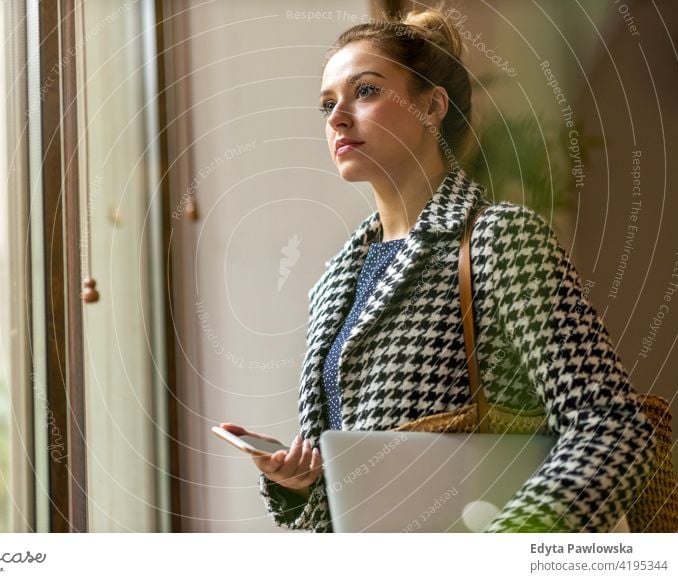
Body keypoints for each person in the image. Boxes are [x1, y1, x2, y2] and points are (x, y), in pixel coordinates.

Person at [222, 4, 655, 533]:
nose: (337, 117)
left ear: (431, 106)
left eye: (365, 91)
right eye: (326, 104)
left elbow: (613, 426)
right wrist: (301, 483)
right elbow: (349, 487)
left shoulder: (501, 240)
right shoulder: (332, 283)